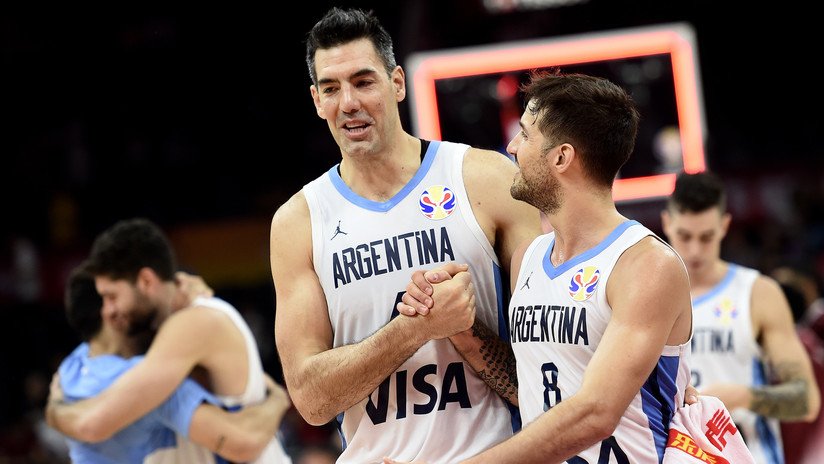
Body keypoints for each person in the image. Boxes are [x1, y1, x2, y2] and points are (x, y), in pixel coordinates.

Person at [269, 6, 544, 463]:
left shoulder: (486, 178)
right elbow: (311, 400)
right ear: (317, 101)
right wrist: (415, 329)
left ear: (397, 82)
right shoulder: (298, 222)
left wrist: (466, 333)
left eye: (363, 81)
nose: (349, 103)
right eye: (332, 89)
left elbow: (549, 372)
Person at [392, 70, 699, 463]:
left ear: (561, 156)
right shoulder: (529, 257)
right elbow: (537, 389)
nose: (512, 145)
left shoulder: (645, 264)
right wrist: (462, 327)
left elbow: (595, 414)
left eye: (525, 134)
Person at [46, 217, 293, 464]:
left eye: (112, 296)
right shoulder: (161, 355)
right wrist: (276, 401)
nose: (109, 310)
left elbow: (92, 423)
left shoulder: (73, 367)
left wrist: (55, 407)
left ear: (146, 281)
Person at [661, 171, 821, 463]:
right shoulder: (648, 297)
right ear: (667, 223)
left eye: (706, 237)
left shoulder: (757, 292)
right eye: (685, 236)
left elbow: (806, 400)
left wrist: (741, 396)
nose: (695, 250)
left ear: (724, 226)